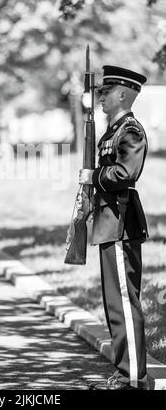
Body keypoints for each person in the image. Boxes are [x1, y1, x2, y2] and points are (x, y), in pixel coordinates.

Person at [79, 65, 149, 390]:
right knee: (113, 305)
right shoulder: (112, 131)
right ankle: (124, 372)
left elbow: (125, 173)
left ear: (122, 94)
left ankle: (133, 378)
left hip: (121, 222)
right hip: (108, 221)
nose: (101, 97)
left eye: (106, 92)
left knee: (123, 300)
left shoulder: (130, 130)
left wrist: (92, 177)